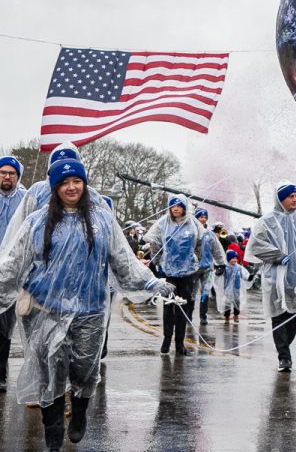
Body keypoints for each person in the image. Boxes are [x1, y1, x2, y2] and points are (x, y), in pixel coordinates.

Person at [0, 158, 174, 451]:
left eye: (77, 181)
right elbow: (14, 263)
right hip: (46, 310)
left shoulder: (102, 220)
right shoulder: (37, 222)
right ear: (54, 187)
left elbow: (123, 259)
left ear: (84, 184)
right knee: (49, 373)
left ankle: (79, 410)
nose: (71, 187)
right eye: (64, 183)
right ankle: (53, 432)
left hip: (90, 312)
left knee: (83, 370)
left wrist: (151, 282)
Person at [244, 181, 296, 372]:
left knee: (295, 314)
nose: (295, 199)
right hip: (275, 277)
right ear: (281, 199)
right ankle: (284, 357)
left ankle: (284, 347)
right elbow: (256, 246)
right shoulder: (266, 222)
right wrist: (279, 257)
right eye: (291, 196)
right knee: (278, 315)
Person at [144, 194, 205, 356]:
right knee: (168, 306)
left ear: (184, 207)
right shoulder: (163, 222)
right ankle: (166, 339)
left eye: (179, 205)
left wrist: (197, 259)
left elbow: (202, 241)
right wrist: (157, 262)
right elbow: (154, 242)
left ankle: (179, 342)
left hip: (187, 273)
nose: (176, 208)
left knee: (182, 308)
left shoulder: (192, 223)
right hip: (168, 272)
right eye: (173, 206)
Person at [0, 155, 26, 393]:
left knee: (4, 326)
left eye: (11, 173)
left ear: (18, 176)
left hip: (11, 273)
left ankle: (1, 373)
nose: (6, 176)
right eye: (3, 172)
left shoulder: (25, 200)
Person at [194, 207, 226, 326]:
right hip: (193, 268)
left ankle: (203, 316)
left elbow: (217, 250)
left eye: (204, 217)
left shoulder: (210, 234)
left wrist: (221, 263)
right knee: (191, 293)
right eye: (200, 217)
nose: (203, 219)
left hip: (207, 268)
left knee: (205, 292)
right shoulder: (192, 231)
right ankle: (188, 314)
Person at [214, 250, 255, 322]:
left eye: (236, 258)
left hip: (236, 290)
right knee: (227, 303)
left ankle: (236, 315)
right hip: (227, 290)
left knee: (237, 302)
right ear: (228, 259)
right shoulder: (225, 268)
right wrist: (218, 272)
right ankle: (227, 315)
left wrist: (249, 277)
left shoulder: (239, 268)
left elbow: (244, 275)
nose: (235, 260)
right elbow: (218, 275)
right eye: (233, 258)